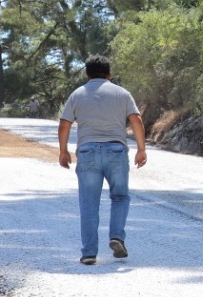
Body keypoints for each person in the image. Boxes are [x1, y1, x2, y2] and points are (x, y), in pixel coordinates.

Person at [58, 55, 147, 265]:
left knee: (89, 203)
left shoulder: (77, 94)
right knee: (120, 197)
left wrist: (63, 151)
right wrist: (141, 149)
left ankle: (89, 253)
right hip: (116, 150)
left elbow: (64, 124)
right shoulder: (121, 93)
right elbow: (136, 119)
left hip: (88, 151)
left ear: (87, 74)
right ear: (109, 74)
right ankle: (116, 236)